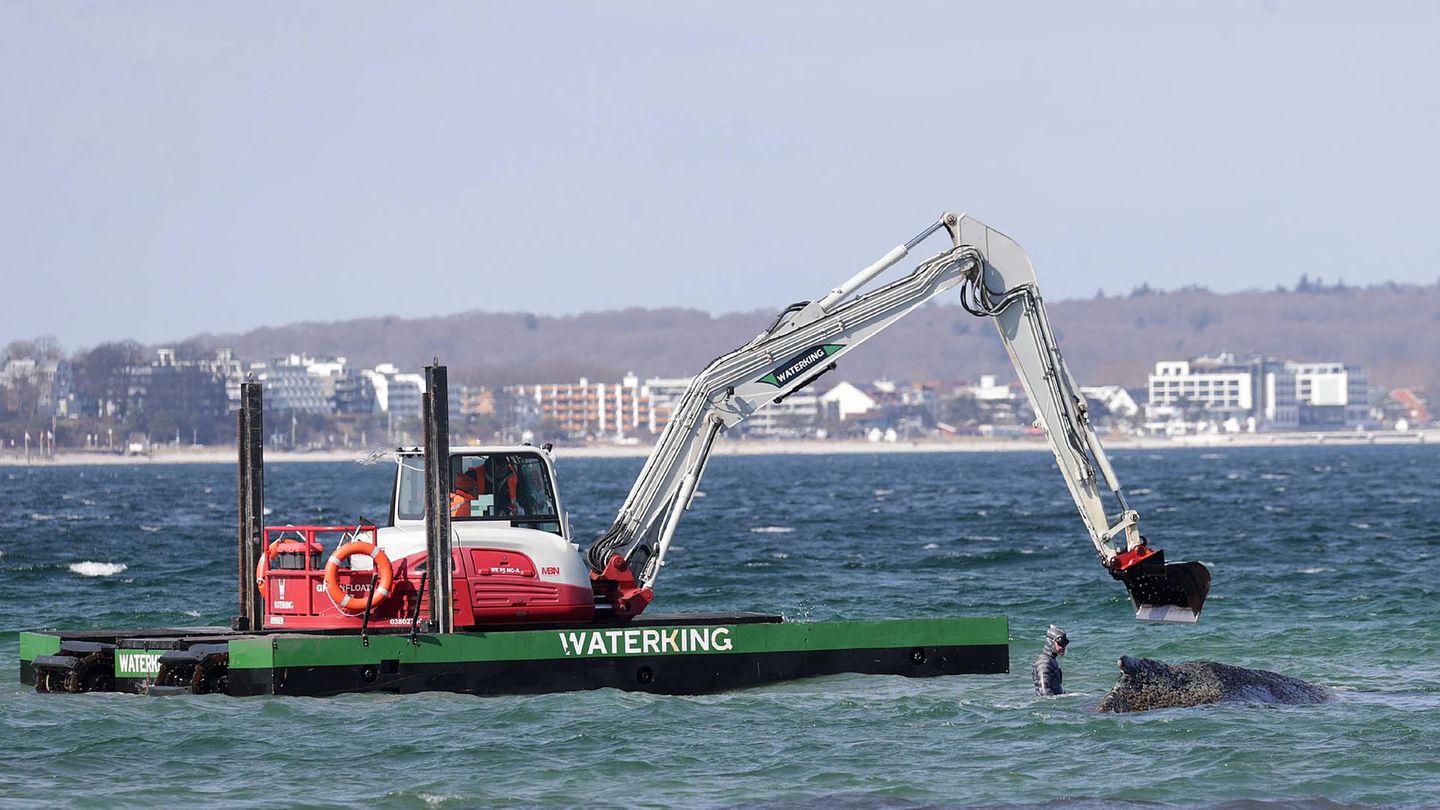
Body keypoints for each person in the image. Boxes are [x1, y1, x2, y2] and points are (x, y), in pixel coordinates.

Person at [1032, 624, 1068, 696]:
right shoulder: (1044, 663)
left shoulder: (1051, 660)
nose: (1063, 647)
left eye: (1065, 643)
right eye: (1060, 643)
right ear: (1051, 642)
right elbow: (1044, 692)